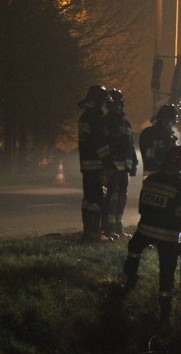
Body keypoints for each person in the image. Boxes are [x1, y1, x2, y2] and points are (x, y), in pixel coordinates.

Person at [123, 145, 181, 325]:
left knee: (134, 248)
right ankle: (165, 309)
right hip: (169, 237)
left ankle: (130, 279)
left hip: (145, 229)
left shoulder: (150, 180)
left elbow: (141, 208)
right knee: (167, 272)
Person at [77, 84, 116, 242]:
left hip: (87, 165)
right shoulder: (95, 119)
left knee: (89, 201)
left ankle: (89, 231)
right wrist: (109, 163)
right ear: (99, 100)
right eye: (104, 101)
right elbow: (100, 144)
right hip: (97, 166)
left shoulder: (85, 116)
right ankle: (95, 233)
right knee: (98, 200)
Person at [103, 88, 138, 239]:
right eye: (114, 104)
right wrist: (107, 164)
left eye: (119, 103)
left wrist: (134, 163)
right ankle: (108, 228)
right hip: (110, 167)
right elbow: (104, 144)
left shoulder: (126, 123)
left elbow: (130, 144)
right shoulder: (105, 122)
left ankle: (118, 227)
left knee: (122, 196)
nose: (117, 107)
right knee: (111, 196)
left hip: (124, 168)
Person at [139, 104, 179, 179]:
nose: (168, 122)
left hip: (161, 175)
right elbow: (148, 154)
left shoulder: (170, 137)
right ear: (160, 118)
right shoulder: (149, 133)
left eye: (170, 120)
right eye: (166, 119)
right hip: (154, 174)